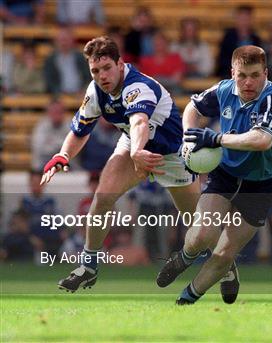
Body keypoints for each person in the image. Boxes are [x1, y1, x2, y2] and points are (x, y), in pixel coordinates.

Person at [40, 36, 200, 292]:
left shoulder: (138, 86)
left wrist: (138, 150)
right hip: (132, 145)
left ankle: (224, 267)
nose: (102, 76)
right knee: (103, 196)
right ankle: (89, 266)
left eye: (106, 68)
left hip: (171, 155)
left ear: (120, 64)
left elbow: (140, 122)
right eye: (95, 70)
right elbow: (80, 130)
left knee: (198, 222)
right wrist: (63, 155)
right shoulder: (95, 91)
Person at [155, 45, 272, 305]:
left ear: (266, 73)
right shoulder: (225, 88)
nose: (248, 82)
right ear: (233, 73)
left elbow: (261, 140)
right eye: (242, 75)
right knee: (201, 235)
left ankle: (185, 301)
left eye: (255, 75)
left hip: (260, 185)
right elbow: (193, 108)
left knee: (225, 252)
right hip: (225, 174)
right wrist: (189, 137)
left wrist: (216, 138)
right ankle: (184, 256)